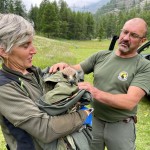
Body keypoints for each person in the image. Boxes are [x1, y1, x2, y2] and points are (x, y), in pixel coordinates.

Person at [50, 18, 150, 150]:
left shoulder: (144, 66)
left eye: (133, 35)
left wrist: (95, 92)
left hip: (120, 126)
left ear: (142, 41)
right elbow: (76, 69)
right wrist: (64, 66)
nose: (126, 38)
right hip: (94, 121)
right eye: (125, 32)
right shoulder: (101, 56)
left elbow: (130, 101)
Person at [0, 13, 92, 150]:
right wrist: (85, 114)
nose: (34, 51)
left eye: (32, 43)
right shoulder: (5, 87)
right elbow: (45, 129)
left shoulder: (32, 72)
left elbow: (46, 85)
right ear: (4, 52)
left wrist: (62, 69)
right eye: (25, 46)